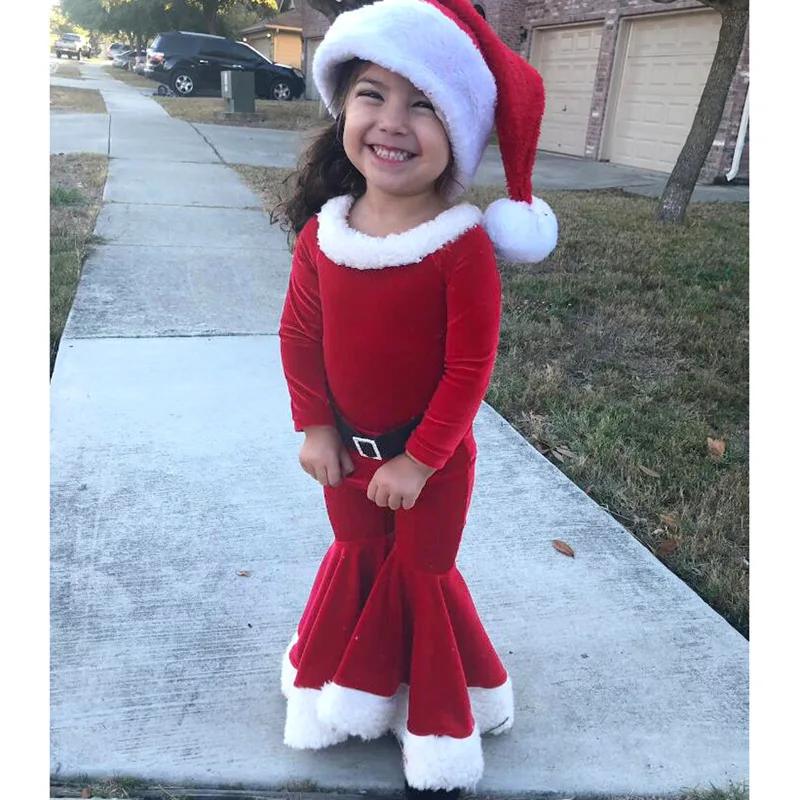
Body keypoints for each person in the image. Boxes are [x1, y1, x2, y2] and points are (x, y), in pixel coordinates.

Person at [274, 0, 558, 795]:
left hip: (430, 464)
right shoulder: (324, 236)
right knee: (361, 559)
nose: (393, 121)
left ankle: (435, 724)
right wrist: (315, 428)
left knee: (422, 573)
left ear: (458, 134)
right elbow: (299, 339)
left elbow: (469, 369)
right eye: (374, 92)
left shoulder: (459, 248)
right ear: (342, 110)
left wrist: (422, 460)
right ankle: (350, 689)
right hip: (349, 458)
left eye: (424, 103)